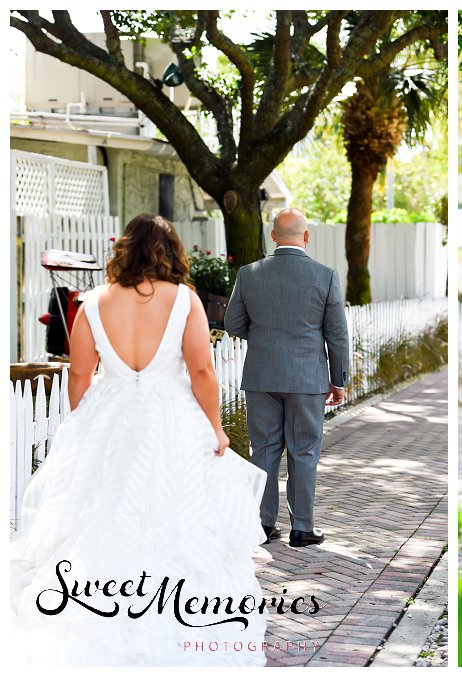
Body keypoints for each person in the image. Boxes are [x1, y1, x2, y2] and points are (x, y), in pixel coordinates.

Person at [10, 214, 268, 665]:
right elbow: (202, 370)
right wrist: (215, 426)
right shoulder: (183, 300)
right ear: (171, 252)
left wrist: (85, 421)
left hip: (108, 412)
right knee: (175, 510)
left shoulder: (92, 302)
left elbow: (79, 373)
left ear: (125, 249)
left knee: (100, 513)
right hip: (171, 414)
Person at [225, 208, 350, 548]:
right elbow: (337, 334)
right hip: (308, 378)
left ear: (273, 235)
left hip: (261, 375)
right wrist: (338, 380)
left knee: (263, 449)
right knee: (304, 451)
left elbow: (233, 323)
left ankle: (263, 525)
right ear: (306, 237)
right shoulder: (325, 276)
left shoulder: (249, 274)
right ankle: (302, 528)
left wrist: (266, 338)